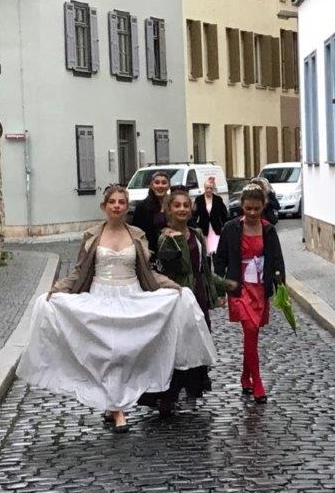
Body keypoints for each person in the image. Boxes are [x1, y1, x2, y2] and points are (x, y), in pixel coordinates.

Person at [17, 185, 216, 432]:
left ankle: (114, 405)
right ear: (104, 206)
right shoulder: (92, 236)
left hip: (131, 297)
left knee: (123, 353)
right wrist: (58, 289)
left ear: (126, 206)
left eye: (121, 202)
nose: (117, 206)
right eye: (112, 202)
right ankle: (116, 409)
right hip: (100, 297)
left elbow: (147, 271)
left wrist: (172, 286)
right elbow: (80, 271)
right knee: (107, 354)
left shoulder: (137, 235)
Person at [137, 186, 233, 416]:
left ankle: (191, 388)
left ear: (191, 209)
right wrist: (175, 243)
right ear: (169, 209)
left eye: (186, 205)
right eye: (177, 205)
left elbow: (203, 270)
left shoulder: (197, 233)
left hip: (198, 295)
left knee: (195, 341)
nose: (182, 209)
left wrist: (223, 286)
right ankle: (167, 395)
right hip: (177, 297)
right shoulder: (166, 238)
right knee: (175, 345)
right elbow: (167, 271)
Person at [214, 184, 286, 403]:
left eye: (256, 208)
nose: (252, 213)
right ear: (242, 207)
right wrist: (219, 288)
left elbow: (277, 259)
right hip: (240, 287)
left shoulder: (268, 230)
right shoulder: (231, 228)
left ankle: (245, 377)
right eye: (248, 209)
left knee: (252, 335)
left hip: (260, 288)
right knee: (250, 329)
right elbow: (220, 259)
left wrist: (281, 287)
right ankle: (257, 382)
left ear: (263, 207)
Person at [132, 170, 171, 263]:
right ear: (151, 185)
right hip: (150, 253)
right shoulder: (142, 207)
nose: (160, 186)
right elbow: (136, 232)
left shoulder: (174, 204)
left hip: (171, 252)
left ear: (169, 185)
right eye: (157, 182)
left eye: (164, 183)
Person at [194, 176, 226, 254]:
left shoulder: (218, 199)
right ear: (204, 188)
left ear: (213, 189)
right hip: (204, 229)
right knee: (206, 251)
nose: (209, 190)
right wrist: (195, 226)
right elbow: (194, 214)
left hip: (216, 228)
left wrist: (224, 225)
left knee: (216, 250)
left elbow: (223, 213)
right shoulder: (199, 199)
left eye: (211, 188)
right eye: (207, 188)